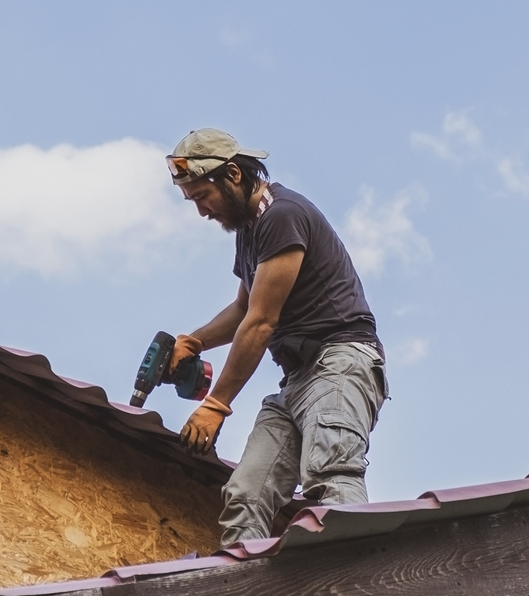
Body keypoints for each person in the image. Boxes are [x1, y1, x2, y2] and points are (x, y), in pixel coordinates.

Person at [166, 128, 388, 544]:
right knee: (245, 493)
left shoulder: (281, 215)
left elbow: (261, 322)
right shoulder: (251, 229)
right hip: (298, 380)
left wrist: (216, 403)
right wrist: (193, 342)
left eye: (201, 197)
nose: (201, 212)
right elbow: (241, 309)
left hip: (339, 363)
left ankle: (357, 592)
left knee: (330, 475)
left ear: (232, 174)